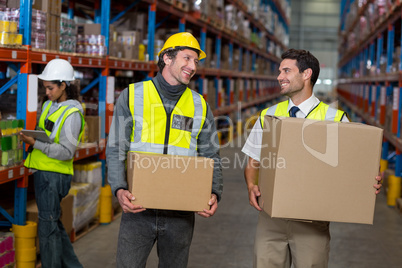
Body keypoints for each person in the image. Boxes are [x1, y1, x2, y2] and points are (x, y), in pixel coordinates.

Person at [242, 49, 382, 268]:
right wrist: (251, 185)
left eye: (286, 71)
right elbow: (253, 159)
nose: (280, 77)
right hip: (271, 220)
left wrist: (369, 182)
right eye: (280, 71)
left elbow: (356, 166)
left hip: (312, 222)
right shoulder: (269, 115)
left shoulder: (334, 119)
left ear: (307, 74)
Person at [106, 32, 223, 267]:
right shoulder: (132, 95)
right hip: (138, 206)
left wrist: (214, 191)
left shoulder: (199, 105)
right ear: (167, 58)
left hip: (181, 210)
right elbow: (116, 147)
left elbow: (211, 154)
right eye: (187, 58)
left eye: (196, 62)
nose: (192, 67)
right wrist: (119, 189)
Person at [19, 59, 84, 268]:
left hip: (54, 177)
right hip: (43, 173)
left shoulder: (72, 114)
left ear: (63, 85)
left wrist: (35, 143)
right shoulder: (49, 105)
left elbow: (66, 151)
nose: (47, 92)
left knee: (47, 231)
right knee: (53, 225)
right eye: (45, 87)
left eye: (50, 87)